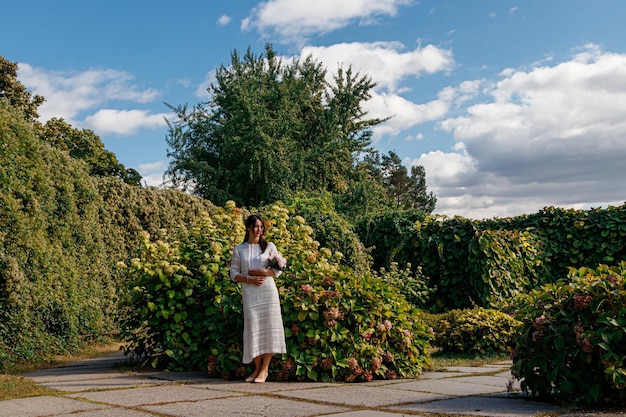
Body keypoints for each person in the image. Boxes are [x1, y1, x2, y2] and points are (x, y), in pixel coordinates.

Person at [230, 214, 287, 383]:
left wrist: (263, 273)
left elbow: (278, 271)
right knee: (253, 328)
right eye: (256, 227)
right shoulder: (239, 249)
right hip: (250, 293)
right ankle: (256, 368)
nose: (259, 230)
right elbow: (233, 273)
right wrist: (249, 279)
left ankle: (264, 369)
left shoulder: (269, 246)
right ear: (248, 228)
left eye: (261, 227)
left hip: (268, 291)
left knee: (269, 327)